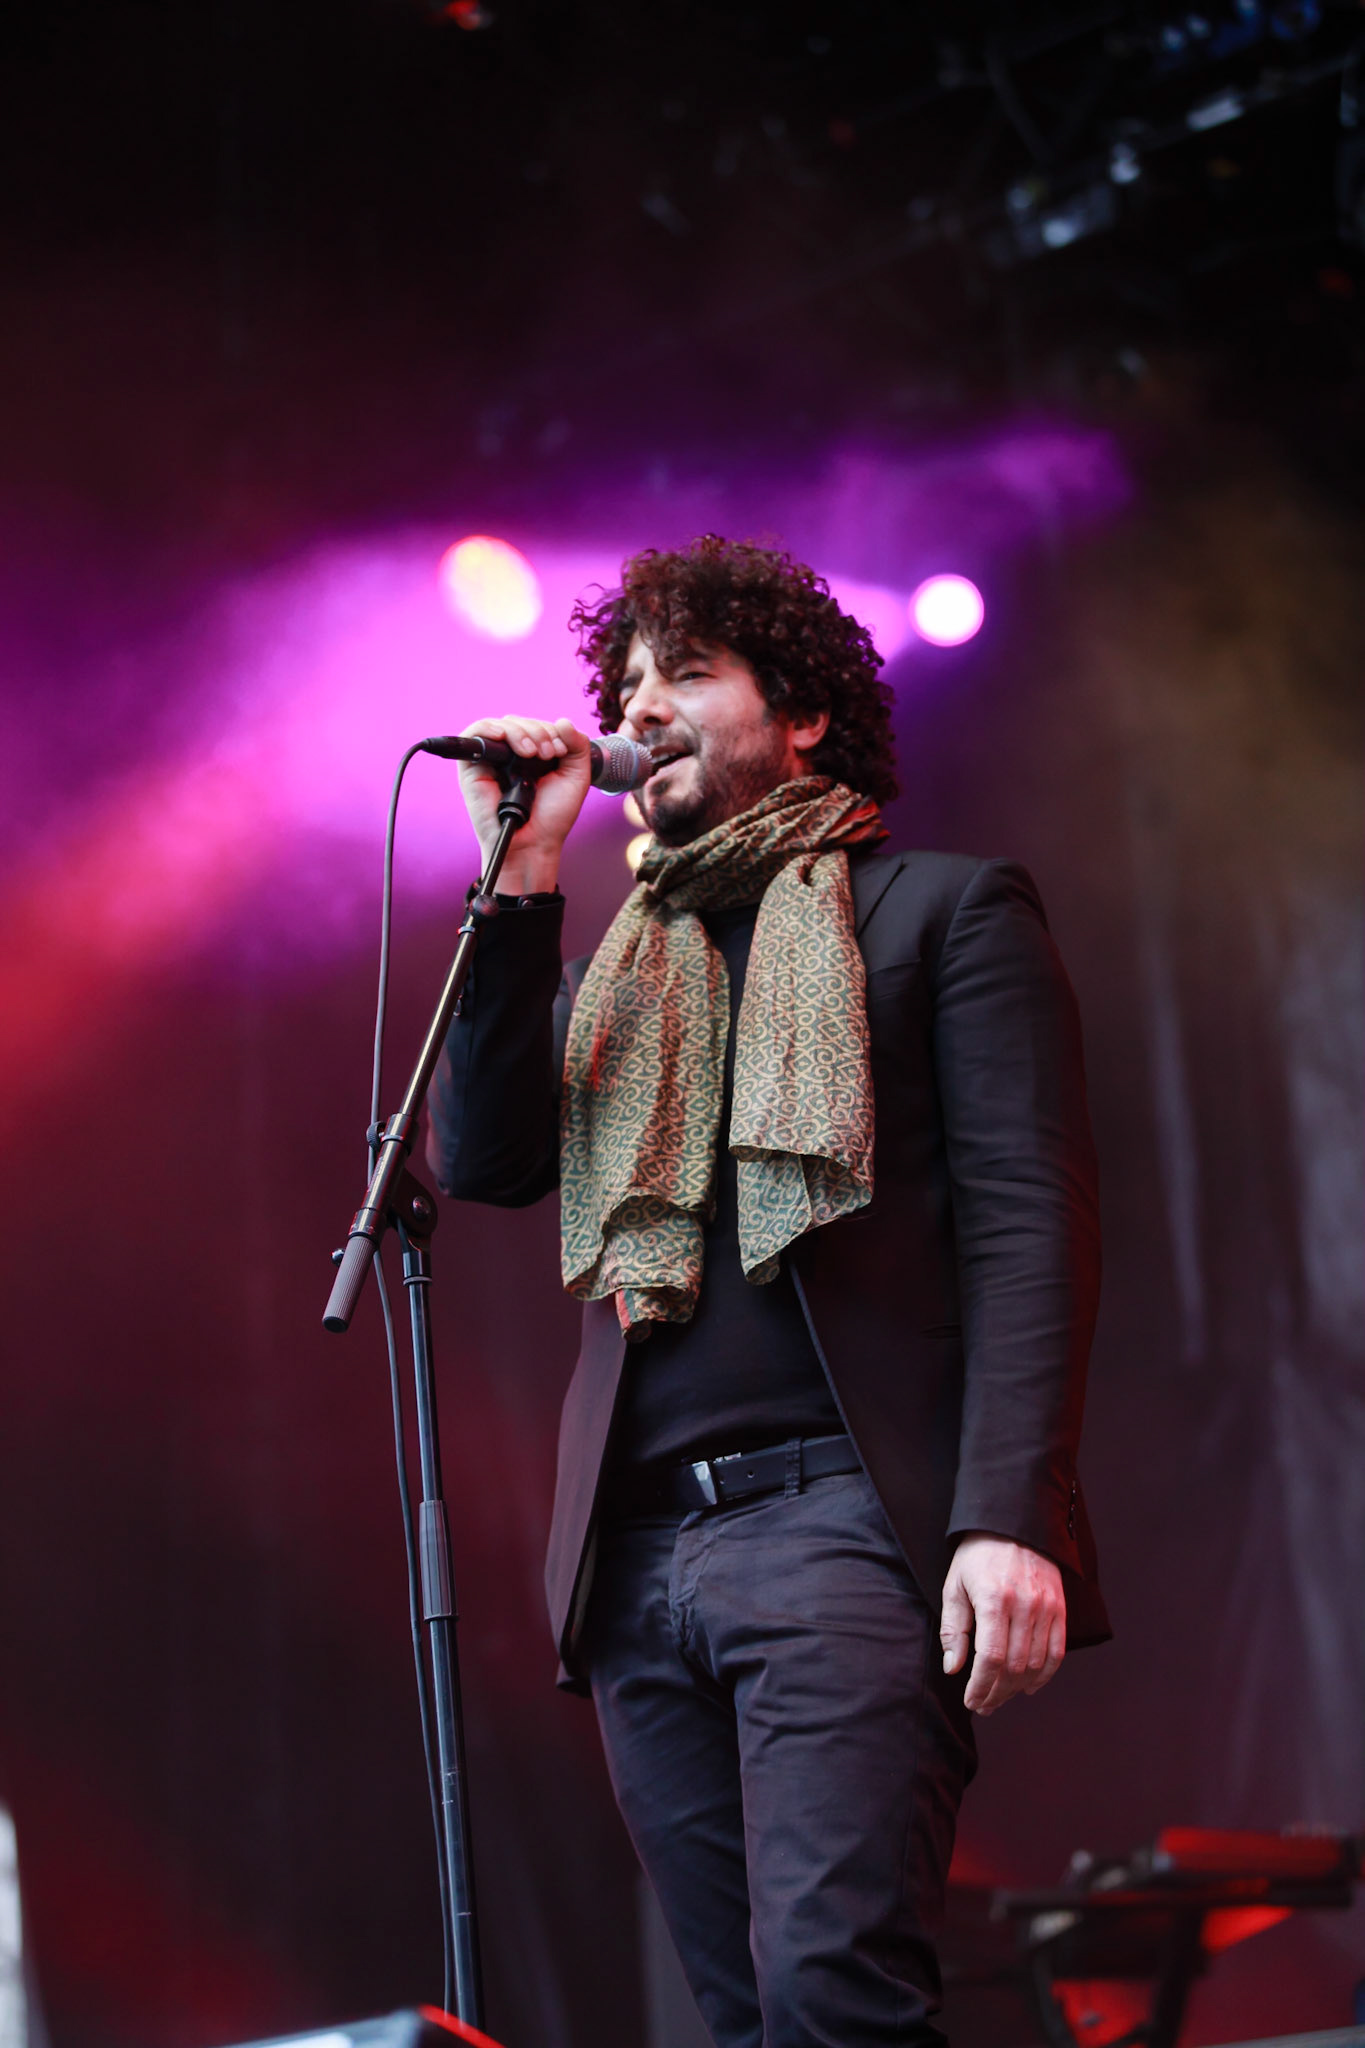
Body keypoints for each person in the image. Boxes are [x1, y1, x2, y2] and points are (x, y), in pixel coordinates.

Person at [426, 536, 1108, 2048]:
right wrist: (522, 876)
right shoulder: (624, 956)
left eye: (684, 674)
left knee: (830, 1996)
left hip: (839, 1527)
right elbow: (482, 1160)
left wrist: (1010, 1515)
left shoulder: (937, 913)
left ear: (797, 712)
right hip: (641, 1557)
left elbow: (1025, 1225)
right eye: (621, 684)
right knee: (738, 2022)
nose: (638, 706)